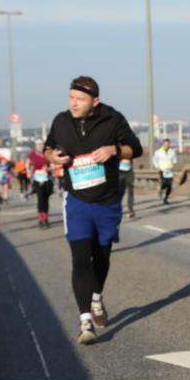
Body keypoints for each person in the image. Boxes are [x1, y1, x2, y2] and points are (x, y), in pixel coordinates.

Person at [44, 76, 143, 344]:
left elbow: (136, 148)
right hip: (76, 200)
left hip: (107, 200)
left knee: (102, 257)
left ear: (94, 101)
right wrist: (52, 156)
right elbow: (48, 148)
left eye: (80, 99)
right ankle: (85, 320)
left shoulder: (113, 119)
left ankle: (97, 296)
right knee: (80, 257)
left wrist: (114, 150)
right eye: (71, 98)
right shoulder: (61, 121)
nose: (73, 104)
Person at [28, 139, 54, 229]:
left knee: (46, 200)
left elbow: (53, 166)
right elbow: (28, 165)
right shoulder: (32, 155)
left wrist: (48, 169)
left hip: (47, 180)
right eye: (38, 144)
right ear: (35, 146)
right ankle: (41, 219)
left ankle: (46, 219)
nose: (40, 146)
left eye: (41, 144)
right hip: (37, 180)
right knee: (40, 199)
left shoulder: (47, 154)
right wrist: (29, 172)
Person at [152, 138, 178, 204]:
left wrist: (173, 165)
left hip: (169, 170)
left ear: (169, 144)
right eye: (165, 143)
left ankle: (165, 198)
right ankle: (160, 189)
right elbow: (154, 160)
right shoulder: (158, 152)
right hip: (162, 170)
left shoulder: (172, 151)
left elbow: (175, 160)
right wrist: (157, 167)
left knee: (169, 185)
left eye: (168, 143)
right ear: (163, 144)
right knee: (164, 183)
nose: (167, 145)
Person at [119, 145, 136, 219]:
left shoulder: (130, 146)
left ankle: (131, 210)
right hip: (120, 171)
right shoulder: (118, 146)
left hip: (129, 171)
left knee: (131, 190)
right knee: (121, 192)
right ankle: (117, 207)